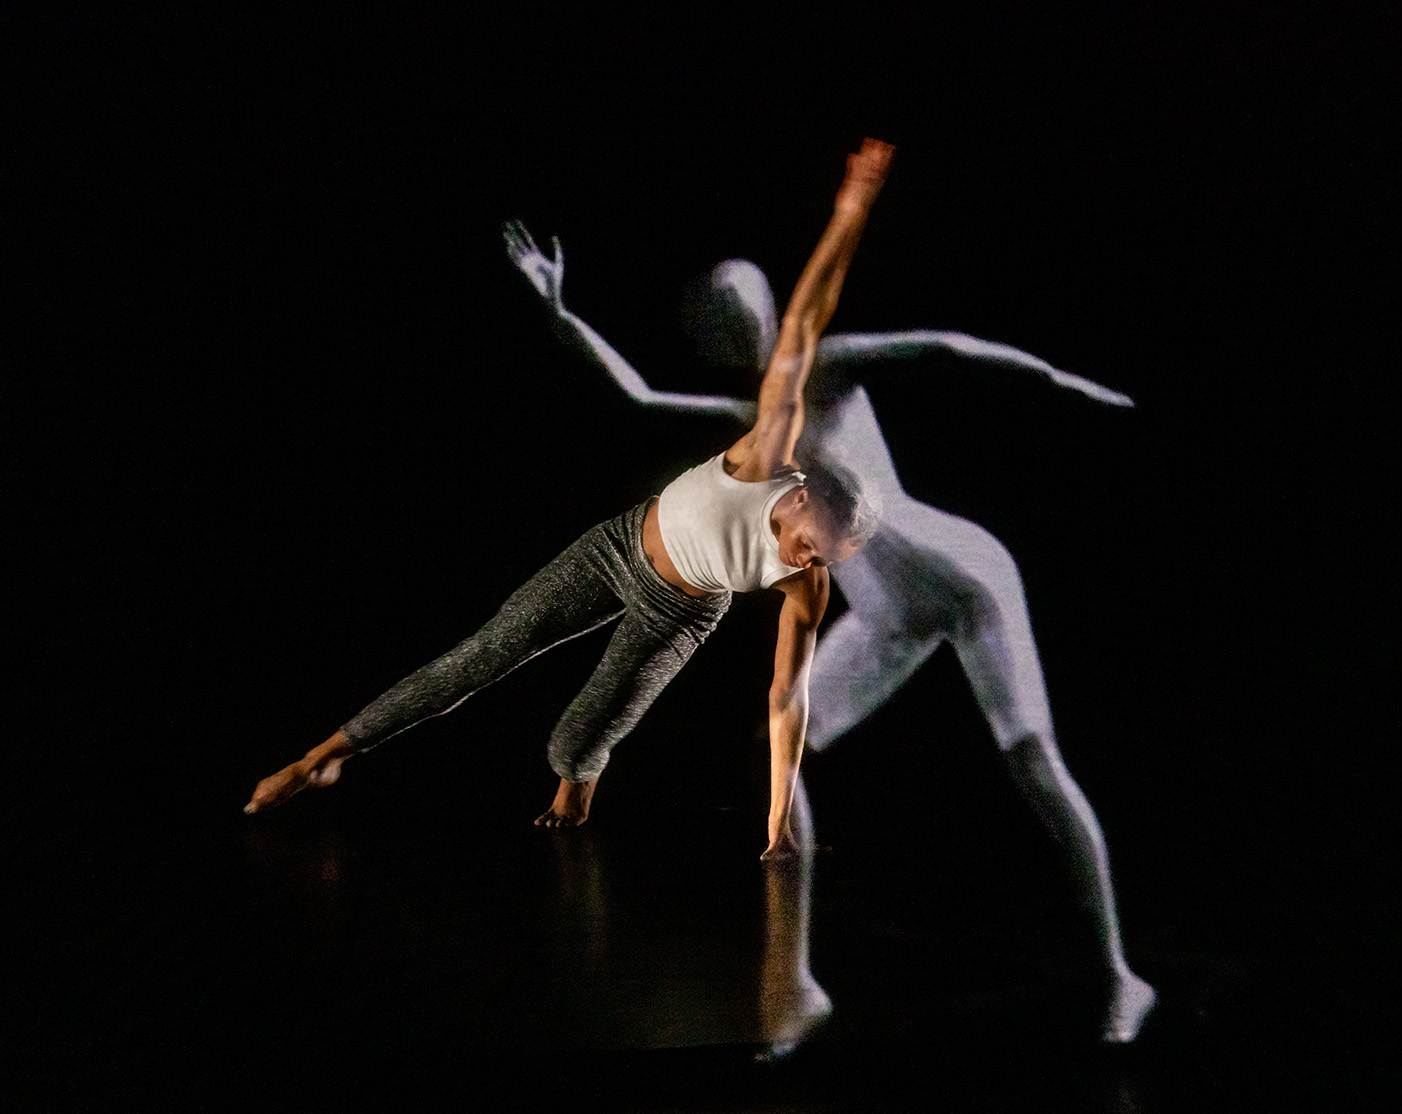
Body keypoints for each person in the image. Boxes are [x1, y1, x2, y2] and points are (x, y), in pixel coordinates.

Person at [502, 204, 1156, 1042]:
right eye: (718, 319)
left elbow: (946, 348)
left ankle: (1119, 977)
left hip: (970, 579)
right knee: (779, 752)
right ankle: (797, 986)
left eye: (746, 309)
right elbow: (636, 397)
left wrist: (1068, 385)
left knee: (1035, 765)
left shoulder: (831, 367)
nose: (739, 329)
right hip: (890, 617)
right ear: (711, 338)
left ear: (773, 313)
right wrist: (559, 313)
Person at [245, 138, 895, 862]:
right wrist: (852, 206)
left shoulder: (809, 585)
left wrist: (777, 819)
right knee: (484, 654)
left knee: (576, 737)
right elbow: (803, 327)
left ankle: (578, 779)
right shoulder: (768, 452)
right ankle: (322, 756)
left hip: (680, 613)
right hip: (616, 548)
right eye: (813, 542)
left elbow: (785, 700)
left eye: (824, 560)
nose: (807, 561)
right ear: (802, 496)